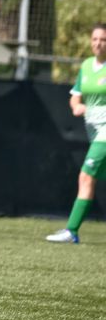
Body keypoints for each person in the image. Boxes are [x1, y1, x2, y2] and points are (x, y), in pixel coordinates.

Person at [46, 23, 106, 244]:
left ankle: (71, 230)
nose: (98, 43)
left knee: (86, 175)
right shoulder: (87, 66)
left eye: (103, 39)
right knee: (89, 178)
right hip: (93, 129)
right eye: (95, 39)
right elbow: (76, 95)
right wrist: (76, 106)